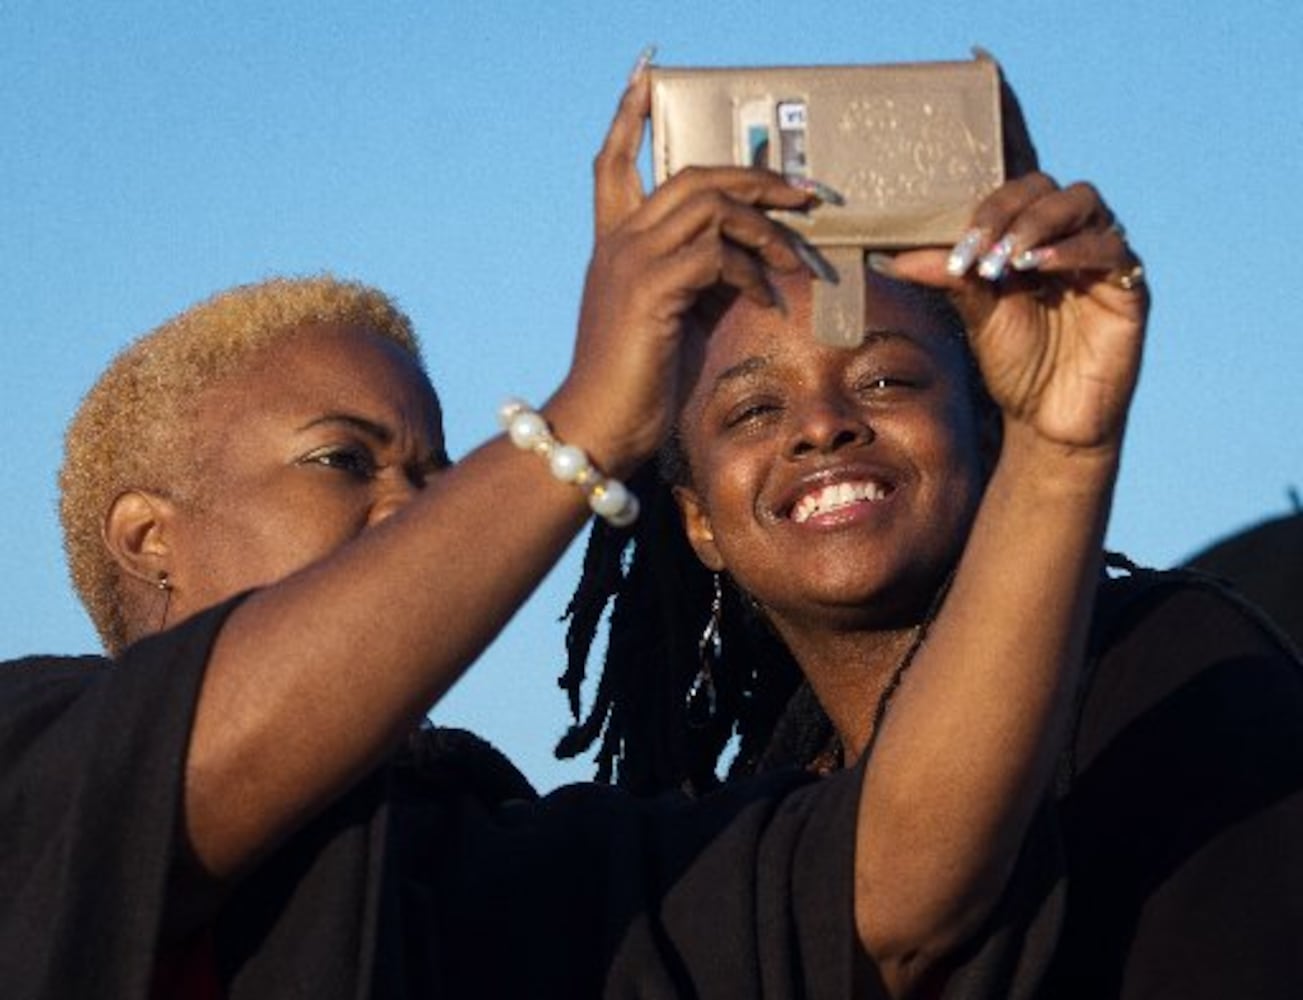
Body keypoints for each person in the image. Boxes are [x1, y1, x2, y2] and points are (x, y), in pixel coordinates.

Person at [0, 62, 1171, 1000]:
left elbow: (891, 894)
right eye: (341, 459)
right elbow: (179, 773)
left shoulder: (486, 858)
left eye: (439, 470)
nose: (417, 507)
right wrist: (584, 427)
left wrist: (1062, 449)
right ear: (149, 536)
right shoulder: (27, 756)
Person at [561, 59, 1303, 1000]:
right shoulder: (751, 835)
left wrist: (1063, 441)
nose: (821, 427)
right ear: (698, 521)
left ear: (990, 434)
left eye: (885, 381)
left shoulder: (1169, 668)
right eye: (751, 412)